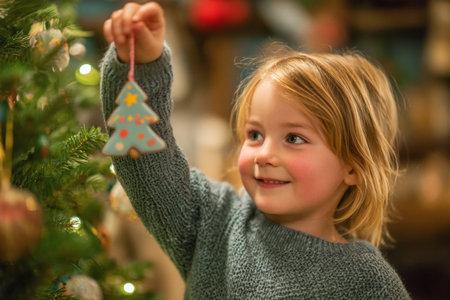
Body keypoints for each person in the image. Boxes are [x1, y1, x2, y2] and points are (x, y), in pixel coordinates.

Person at [101, 2, 410, 299]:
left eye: (294, 138)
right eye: (255, 134)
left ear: (352, 167)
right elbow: (144, 162)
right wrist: (140, 65)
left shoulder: (368, 281)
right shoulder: (211, 222)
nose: (264, 154)